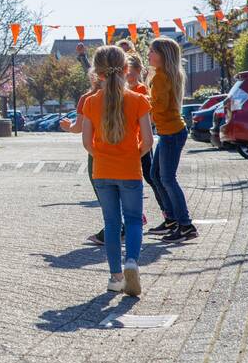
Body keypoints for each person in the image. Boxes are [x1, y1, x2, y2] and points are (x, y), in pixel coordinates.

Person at [81, 45, 154, 297]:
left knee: (111, 224)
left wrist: (101, 156)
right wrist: (134, 155)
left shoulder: (90, 102)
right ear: (126, 69)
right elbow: (148, 140)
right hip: (130, 170)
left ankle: (115, 277)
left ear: (97, 73)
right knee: (134, 220)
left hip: (102, 171)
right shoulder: (139, 100)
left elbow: (86, 143)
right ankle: (132, 261)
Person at [146, 37, 198, 242]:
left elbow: (159, 106)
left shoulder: (161, 77)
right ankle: (172, 219)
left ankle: (185, 225)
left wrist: (143, 104)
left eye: (152, 51)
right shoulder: (163, 74)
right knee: (156, 175)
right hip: (170, 132)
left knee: (166, 178)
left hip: (171, 133)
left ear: (163, 55)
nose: (149, 54)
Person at [61, 72, 107, 245]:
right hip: (125, 152)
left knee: (103, 191)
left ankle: (115, 228)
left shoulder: (88, 98)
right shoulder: (126, 94)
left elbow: (79, 128)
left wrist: (67, 126)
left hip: (98, 152)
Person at [126, 53, 167, 228]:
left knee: (151, 177)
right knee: (133, 180)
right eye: (127, 75)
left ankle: (167, 212)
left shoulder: (141, 90)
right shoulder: (125, 90)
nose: (129, 78)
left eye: (132, 75)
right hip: (129, 142)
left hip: (142, 142)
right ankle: (138, 215)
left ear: (138, 71)